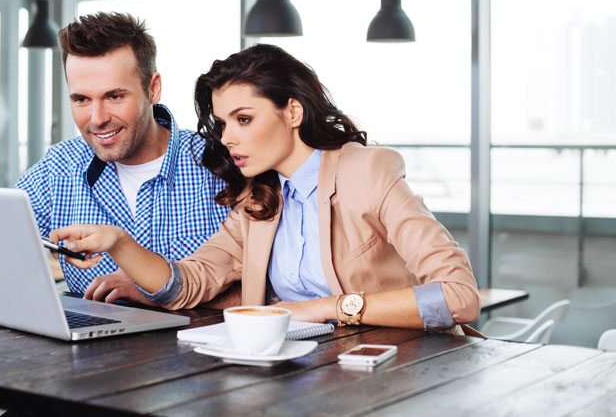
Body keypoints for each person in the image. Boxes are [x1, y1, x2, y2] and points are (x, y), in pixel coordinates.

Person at [54, 43, 480, 331]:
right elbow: (189, 283)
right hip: (305, 373)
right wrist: (119, 243)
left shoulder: (368, 172)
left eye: (244, 119)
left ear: (292, 111)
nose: (227, 138)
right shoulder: (258, 199)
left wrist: (328, 308)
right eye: (222, 124)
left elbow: (459, 296)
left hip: (400, 369)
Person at [16, 12, 230, 302]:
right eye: (81, 99)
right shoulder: (58, 168)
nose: (97, 119)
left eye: (114, 96)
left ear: (153, 88)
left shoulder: (221, 165)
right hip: (91, 346)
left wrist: (153, 289)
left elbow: (266, 292)